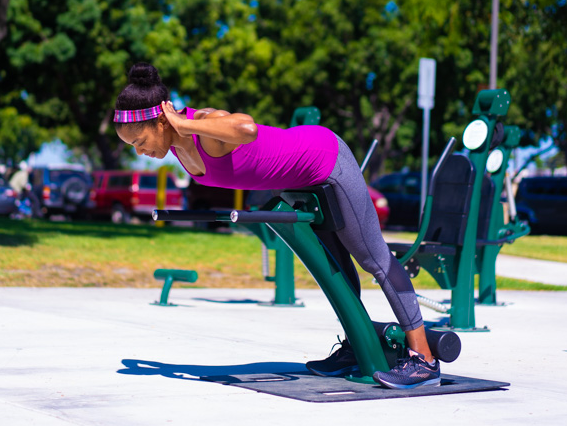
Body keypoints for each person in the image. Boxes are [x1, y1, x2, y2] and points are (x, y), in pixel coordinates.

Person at [113, 62, 440, 389]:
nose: (141, 151)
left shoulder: (202, 124)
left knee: (374, 259)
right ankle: (358, 345)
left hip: (325, 159)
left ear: (160, 121)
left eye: (140, 141)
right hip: (299, 182)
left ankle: (424, 360)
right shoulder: (179, 149)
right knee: (335, 267)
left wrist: (183, 123)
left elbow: (247, 129)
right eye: (133, 147)